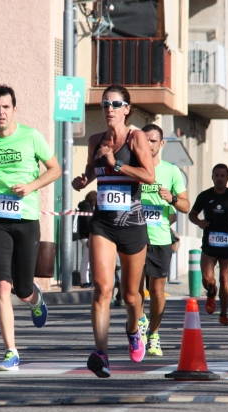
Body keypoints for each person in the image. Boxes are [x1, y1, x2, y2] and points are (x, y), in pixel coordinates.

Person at [0, 84, 60, 371]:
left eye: (5, 107)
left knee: (22, 289)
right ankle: (11, 351)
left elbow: (55, 169)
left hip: (26, 219)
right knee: (1, 286)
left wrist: (31, 186)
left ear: (14, 109)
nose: (1, 112)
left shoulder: (32, 136)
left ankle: (34, 298)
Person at [71, 84, 155, 378]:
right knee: (102, 289)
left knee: (131, 296)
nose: (110, 109)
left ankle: (133, 329)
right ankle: (101, 354)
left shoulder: (136, 137)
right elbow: (91, 170)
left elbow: (149, 176)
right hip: (103, 223)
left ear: (127, 109)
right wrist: (83, 180)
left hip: (132, 224)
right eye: (105, 104)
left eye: (116, 104)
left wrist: (116, 163)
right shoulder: (95, 140)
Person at [136, 123, 189, 357]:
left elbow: (186, 206)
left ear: (161, 143)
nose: (149, 145)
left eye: (153, 140)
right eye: (145, 140)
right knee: (134, 290)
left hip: (160, 239)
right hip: (135, 237)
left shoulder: (171, 171)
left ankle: (154, 334)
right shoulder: (133, 170)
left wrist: (172, 198)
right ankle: (140, 321)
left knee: (156, 292)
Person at [188, 163, 228, 326]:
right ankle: (211, 292)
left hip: (227, 243)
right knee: (208, 279)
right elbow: (192, 215)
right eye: (217, 175)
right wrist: (199, 222)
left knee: (224, 279)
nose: (219, 178)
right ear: (212, 177)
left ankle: (223, 314)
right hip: (209, 242)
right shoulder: (205, 196)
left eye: (223, 176)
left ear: (227, 178)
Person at [77, 191, 97, 288]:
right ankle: (85, 281)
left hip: (83, 236)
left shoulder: (83, 207)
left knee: (86, 260)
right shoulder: (88, 209)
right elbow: (89, 224)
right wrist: (90, 236)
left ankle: (85, 280)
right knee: (87, 260)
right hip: (87, 236)